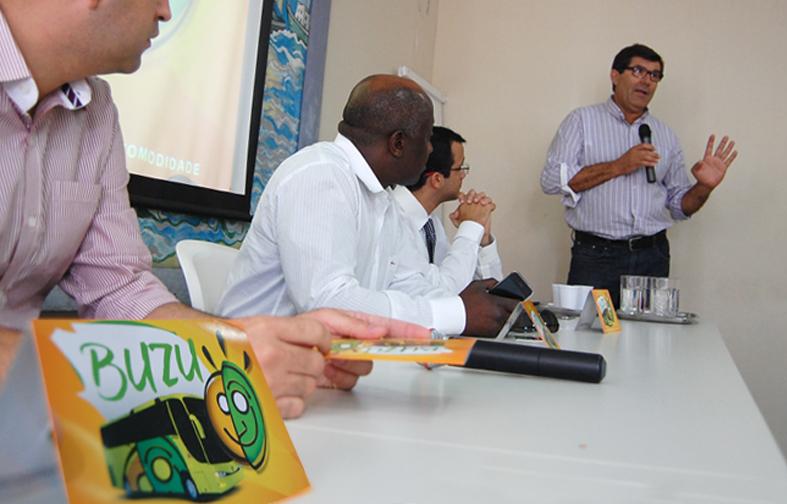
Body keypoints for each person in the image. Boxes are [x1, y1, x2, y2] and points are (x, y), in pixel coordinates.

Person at [0, 0, 429, 419]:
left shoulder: (95, 112)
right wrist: (202, 365)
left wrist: (241, 349)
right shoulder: (321, 174)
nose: (166, 11)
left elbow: (118, 290)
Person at [219, 75, 516, 337]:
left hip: (317, 361)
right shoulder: (320, 175)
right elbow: (327, 302)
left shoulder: (382, 201)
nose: (429, 149)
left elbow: (410, 283)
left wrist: (466, 304)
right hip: (246, 367)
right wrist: (455, 313)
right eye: (426, 138)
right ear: (398, 143)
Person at [540, 43, 738, 306]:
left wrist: (704, 187)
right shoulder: (581, 121)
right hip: (596, 256)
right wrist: (619, 166)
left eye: (654, 75)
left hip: (652, 257)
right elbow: (551, 180)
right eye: (638, 71)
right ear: (615, 75)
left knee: (649, 332)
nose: (646, 81)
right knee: (587, 331)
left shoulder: (665, 135)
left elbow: (680, 207)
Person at [391, 126, 503, 294]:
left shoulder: (430, 223)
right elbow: (443, 292)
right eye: (460, 168)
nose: (464, 175)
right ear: (437, 179)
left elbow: (488, 288)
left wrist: (482, 238)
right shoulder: (393, 221)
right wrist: (471, 226)